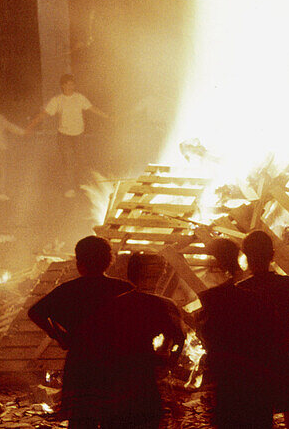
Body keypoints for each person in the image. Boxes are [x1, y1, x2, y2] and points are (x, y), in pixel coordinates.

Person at [27, 236, 133, 429]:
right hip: (116, 364)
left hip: (82, 363)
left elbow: (35, 312)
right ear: (109, 261)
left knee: (82, 419)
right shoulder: (124, 290)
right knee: (116, 418)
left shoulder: (68, 290)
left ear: (79, 262)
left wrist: (58, 336)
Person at [90, 253, 185, 429]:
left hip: (116, 380)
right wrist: (167, 361)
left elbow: (98, 341)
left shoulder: (112, 305)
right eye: (158, 272)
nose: (161, 275)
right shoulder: (164, 305)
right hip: (144, 378)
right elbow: (179, 337)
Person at [237, 231, 289, 429]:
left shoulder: (240, 291)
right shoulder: (287, 285)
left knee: (259, 418)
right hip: (283, 363)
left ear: (246, 258)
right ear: (272, 255)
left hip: (254, 366)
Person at [197, 238, 271, 429]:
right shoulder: (259, 292)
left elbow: (207, 337)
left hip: (228, 377)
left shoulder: (212, 298)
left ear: (217, 263)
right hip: (257, 374)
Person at [27, 74, 110, 198]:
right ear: (63, 86)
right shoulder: (57, 100)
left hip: (79, 135)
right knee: (68, 161)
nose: (71, 86)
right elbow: (44, 114)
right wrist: (30, 126)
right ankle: (69, 188)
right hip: (64, 135)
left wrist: (107, 117)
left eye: (73, 83)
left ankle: (82, 185)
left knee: (81, 161)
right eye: (68, 84)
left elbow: (92, 108)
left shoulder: (80, 98)